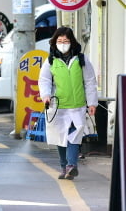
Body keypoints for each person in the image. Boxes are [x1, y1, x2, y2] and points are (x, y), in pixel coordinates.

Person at [38, 26, 98, 180]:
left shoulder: (81, 60)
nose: (62, 43)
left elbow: (90, 82)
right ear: (54, 42)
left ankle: (72, 165)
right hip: (58, 106)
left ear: (72, 42)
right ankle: (64, 166)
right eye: (59, 41)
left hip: (77, 106)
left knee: (74, 135)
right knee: (60, 137)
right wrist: (45, 95)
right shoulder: (51, 60)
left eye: (65, 41)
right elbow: (44, 80)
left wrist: (92, 103)